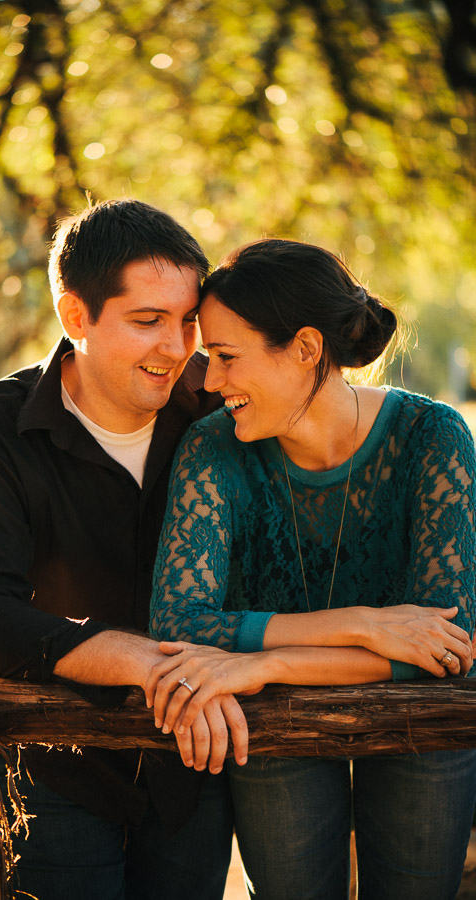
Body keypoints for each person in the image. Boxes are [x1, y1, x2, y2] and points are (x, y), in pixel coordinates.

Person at [0, 199, 250, 900]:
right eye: (147, 322)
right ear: (77, 318)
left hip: (193, 765)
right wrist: (142, 659)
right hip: (55, 770)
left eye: (186, 321)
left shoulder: (219, 410)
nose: (177, 347)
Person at [147, 238, 476, 900]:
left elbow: (448, 647)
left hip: (420, 724)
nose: (209, 382)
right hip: (275, 725)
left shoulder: (433, 438)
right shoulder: (212, 448)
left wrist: (262, 663)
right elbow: (178, 622)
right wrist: (365, 626)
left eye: (227, 357)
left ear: (303, 348)